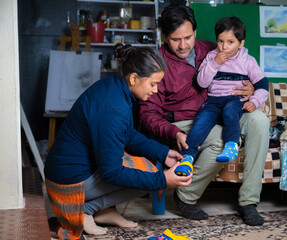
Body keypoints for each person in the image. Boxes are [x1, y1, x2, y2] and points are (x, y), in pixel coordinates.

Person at [44, 44, 192, 240]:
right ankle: (85, 210)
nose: (156, 90)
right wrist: (163, 180)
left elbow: (128, 134)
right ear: (133, 78)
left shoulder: (115, 86)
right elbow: (111, 172)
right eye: (153, 84)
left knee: (148, 169)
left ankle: (101, 211)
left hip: (70, 171)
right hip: (69, 183)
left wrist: (163, 152)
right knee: (150, 178)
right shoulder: (113, 110)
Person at [139, 4, 270, 226]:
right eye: (175, 39)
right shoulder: (155, 63)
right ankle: (186, 196)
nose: (183, 45)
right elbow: (147, 113)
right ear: (164, 37)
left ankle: (249, 201)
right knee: (223, 141)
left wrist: (251, 91)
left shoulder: (215, 48)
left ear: (195, 32)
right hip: (187, 120)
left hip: (227, 110)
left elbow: (250, 75)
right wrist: (174, 132)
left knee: (260, 121)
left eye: (188, 37)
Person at [174, 16, 269, 176]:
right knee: (200, 122)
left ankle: (231, 144)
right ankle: (187, 158)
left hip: (234, 99)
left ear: (241, 43)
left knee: (230, 111)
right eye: (220, 41)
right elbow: (202, 83)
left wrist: (255, 101)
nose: (224, 47)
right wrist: (214, 63)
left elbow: (262, 85)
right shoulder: (212, 57)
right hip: (213, 101)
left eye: (230, 42)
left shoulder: (248, 61)